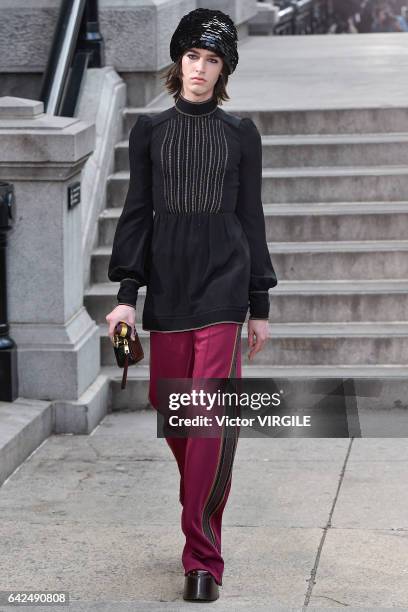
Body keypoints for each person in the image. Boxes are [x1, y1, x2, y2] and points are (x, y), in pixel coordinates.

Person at [105, 7, 278, 602]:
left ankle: (202, 559)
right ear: (178, 63)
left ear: (224, 69)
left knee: (206, 415)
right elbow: (135, 214)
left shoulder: (241, 135)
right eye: (192, 57)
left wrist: (259, 302)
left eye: (212, 59)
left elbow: (250, 218)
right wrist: (126, 296)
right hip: (168, 287)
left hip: (225, 286)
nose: (200, 68)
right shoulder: (150, 132)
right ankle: (199, 500)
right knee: (172, 406)